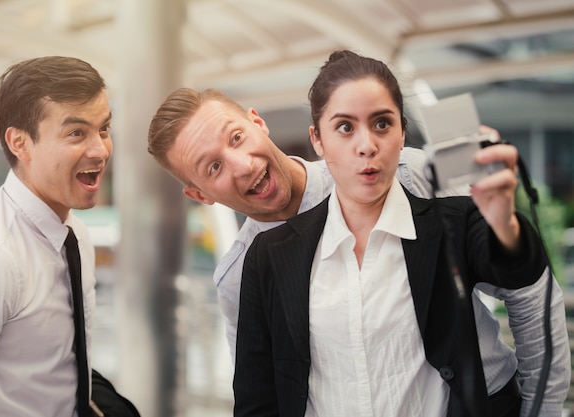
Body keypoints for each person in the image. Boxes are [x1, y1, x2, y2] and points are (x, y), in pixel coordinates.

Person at [147, 90, 569, 413]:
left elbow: (528, 293)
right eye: (214, 167)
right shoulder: (240, 274)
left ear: (257, 122)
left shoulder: (409, 176)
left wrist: (543, 411)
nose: (242, 164)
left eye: (237, 137)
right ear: (199, 195)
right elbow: (265, 393)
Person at [231, 49, 555, 417]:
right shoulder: (268, 254)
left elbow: (515, 268)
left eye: (382, 124)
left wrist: (503, 221)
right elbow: (256, 400)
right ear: (317, 140)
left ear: (402, 133)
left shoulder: (453, 221)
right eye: (345, 127)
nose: (367, 145)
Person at [0, 56, 112, 416]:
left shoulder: (76, 235)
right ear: (20, 144)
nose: (100, 149)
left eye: (103, 129)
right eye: (76, 133)